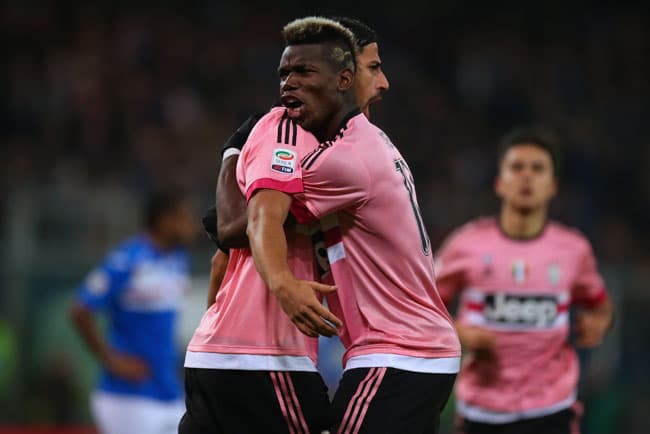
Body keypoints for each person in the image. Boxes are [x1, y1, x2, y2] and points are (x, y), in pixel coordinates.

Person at [247, 17, 460, 434]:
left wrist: (237, 149)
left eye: (303, 72)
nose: (383, 85)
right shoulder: (365, 144)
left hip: (398, 352)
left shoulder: (345, 160)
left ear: (341, 78)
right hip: (414, 352)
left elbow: (243, 222)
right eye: (375, 68)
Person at [434, 127, 614, 434]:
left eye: (538, 168)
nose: (526, 177)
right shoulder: (466, 244)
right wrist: (457, 332)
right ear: (499, 183)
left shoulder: (573, 250)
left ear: (553, 185)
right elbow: (421, 306)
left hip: (552, 408)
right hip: (482, 410)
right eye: (517, 167)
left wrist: (599, 322)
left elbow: (599, 304)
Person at [69, 190, 198, 434]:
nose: (191, 225)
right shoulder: (127, 260)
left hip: (168, 390)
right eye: (184, 217)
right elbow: (79, 311)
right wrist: (112, 361)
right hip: (128, 396)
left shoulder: (178, 259)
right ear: (164, 220)